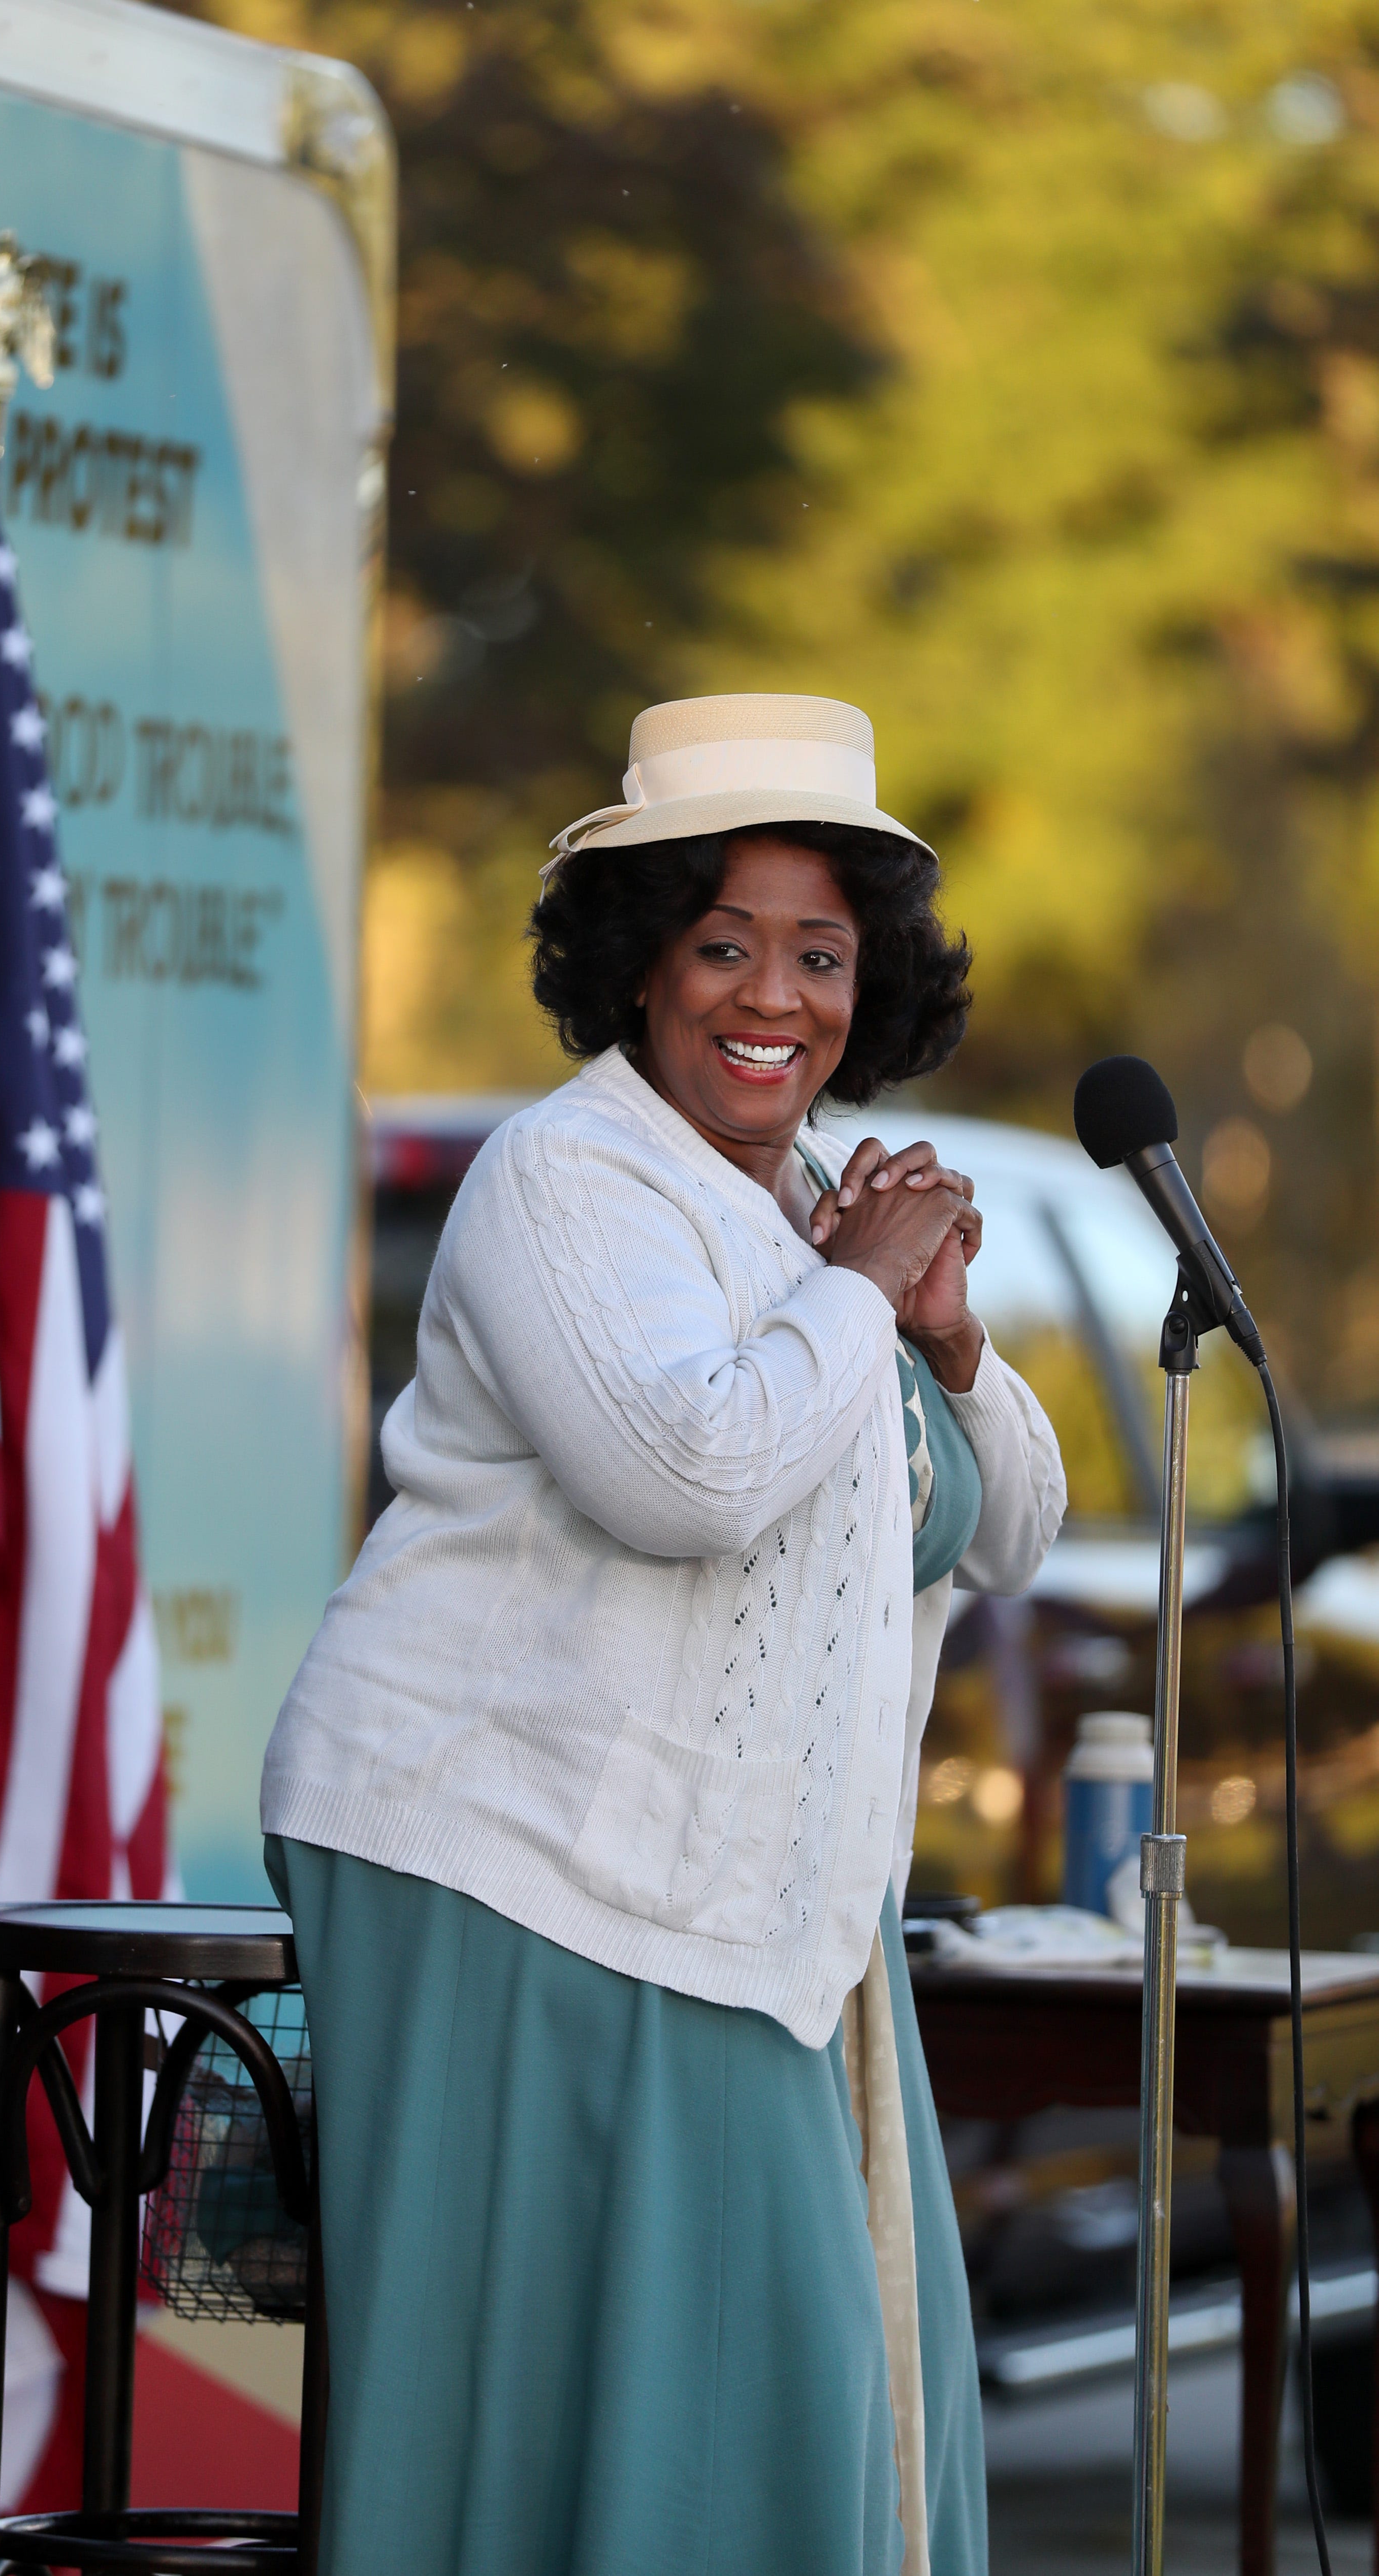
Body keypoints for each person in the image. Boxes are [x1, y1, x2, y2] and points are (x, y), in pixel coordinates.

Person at [262, 694, 1066, 2575]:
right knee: (627, 2432)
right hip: (518, 1866)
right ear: (639, 964)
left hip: (764, 1910)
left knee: (814, 2406)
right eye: (722, 943)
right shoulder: (570, 1178)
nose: (769, 996)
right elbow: (686, 1475)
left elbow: (1007, 1526)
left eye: (820, 953)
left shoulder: (803, 1209)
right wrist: (859, 1293)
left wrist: (942, 1332)